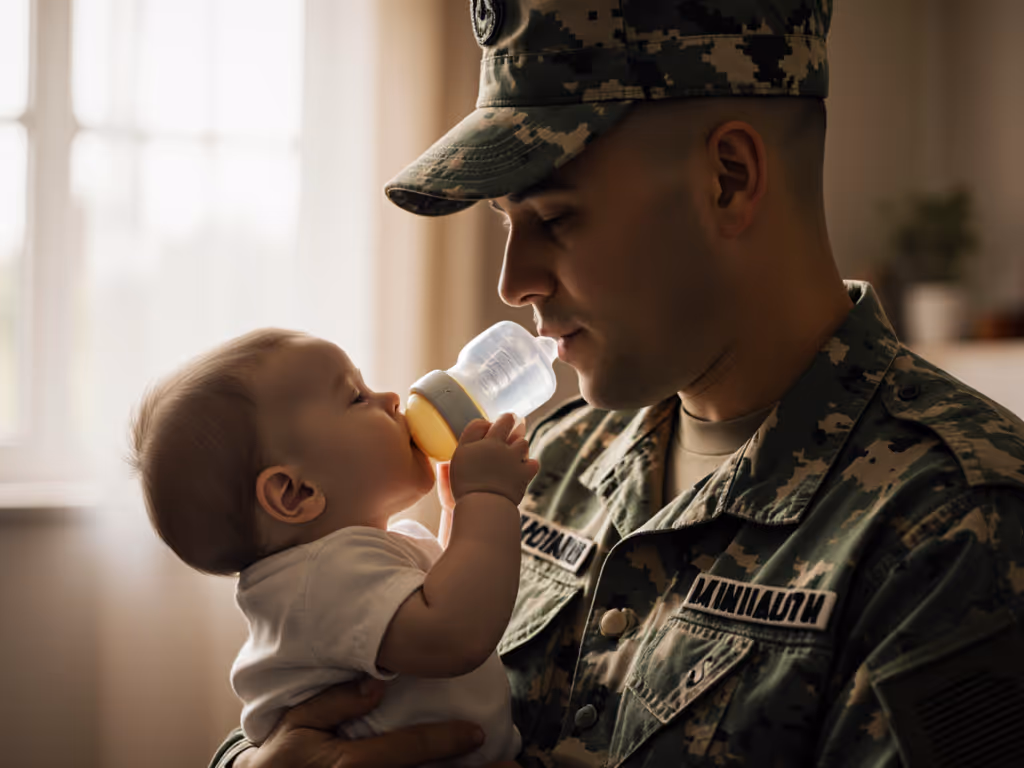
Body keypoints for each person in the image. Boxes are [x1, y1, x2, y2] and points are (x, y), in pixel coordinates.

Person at [210, 1, 1024, 766]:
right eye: (507, 224)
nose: (513, 282)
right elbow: (320, 700)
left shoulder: (958, 526)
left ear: (728, 179)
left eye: (556, 218)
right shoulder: (550, 464)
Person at [129, 328, 539, 766]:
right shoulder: (322, 578)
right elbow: (453, 635)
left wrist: (459, 514)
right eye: (357, 397)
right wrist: (487, 500)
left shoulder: (343, 566)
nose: (391, 398)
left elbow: (445, 594)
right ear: (296, 493)